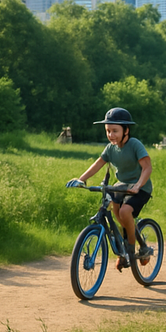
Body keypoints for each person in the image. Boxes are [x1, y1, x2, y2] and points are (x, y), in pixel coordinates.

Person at [66, 107, 153, 270]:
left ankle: (130, 250)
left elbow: (147, 168)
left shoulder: (134, 144)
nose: (111, 135)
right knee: (116, 210)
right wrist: (81, 179)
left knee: (125, 212)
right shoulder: (110, 148)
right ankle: (128, 241)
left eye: (115, 131)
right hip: (122, 186)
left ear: (126, 130)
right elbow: (98, 163)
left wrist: (138, 185)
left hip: (141, 186)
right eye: (108, 131)